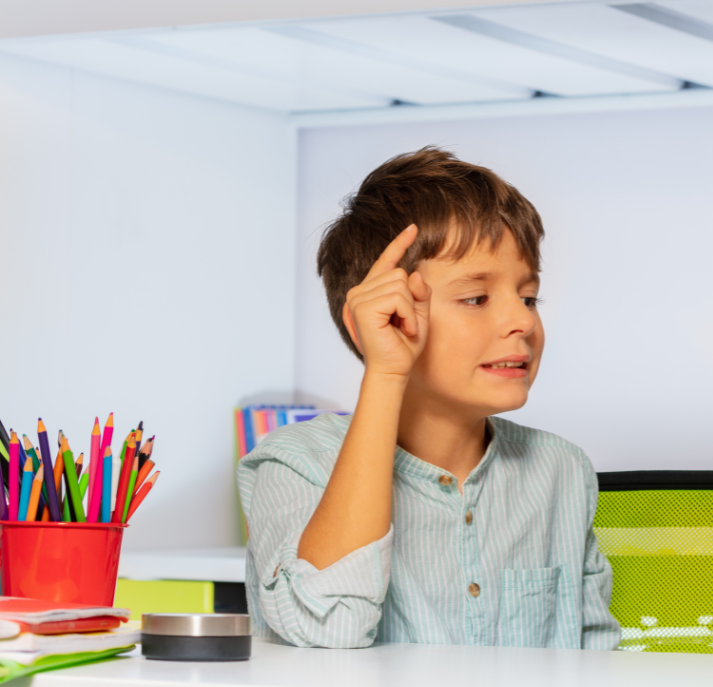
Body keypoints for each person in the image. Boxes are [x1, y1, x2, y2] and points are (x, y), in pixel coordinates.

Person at [237, 147, 620, 650]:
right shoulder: (294, 463)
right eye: (476, 298)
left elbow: (594, 656)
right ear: (382, 319)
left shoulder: (560, 470)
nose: (523, 321)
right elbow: (329, 628)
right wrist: (385, 372)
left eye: (529, 297)